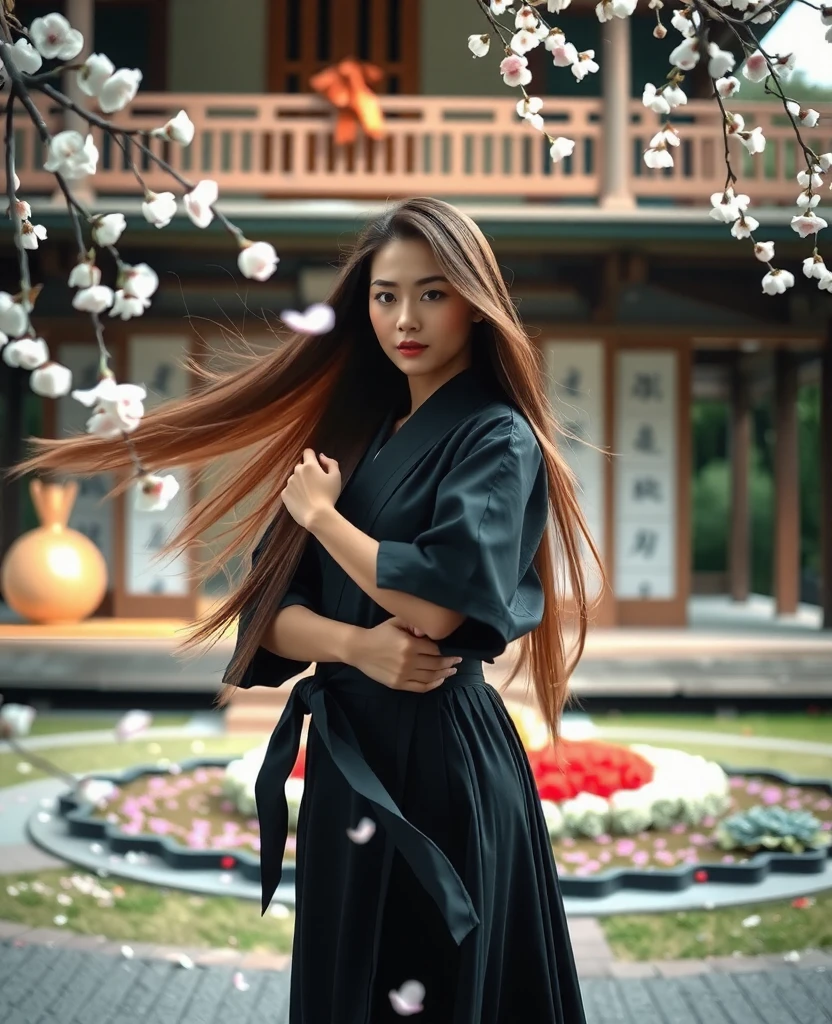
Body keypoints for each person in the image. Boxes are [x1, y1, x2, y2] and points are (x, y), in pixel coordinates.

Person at [15, 197, 601, 1022]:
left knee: (433, 981)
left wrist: (326, 519)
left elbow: (436, 609)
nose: (405, 317)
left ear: (476, 301)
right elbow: (267, 612)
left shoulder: (496, 439)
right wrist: (358, 649)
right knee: (345, 980)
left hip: (441, 753)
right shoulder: (355, 430)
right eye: (385, 294)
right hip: (346, 748)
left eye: (433, 294)